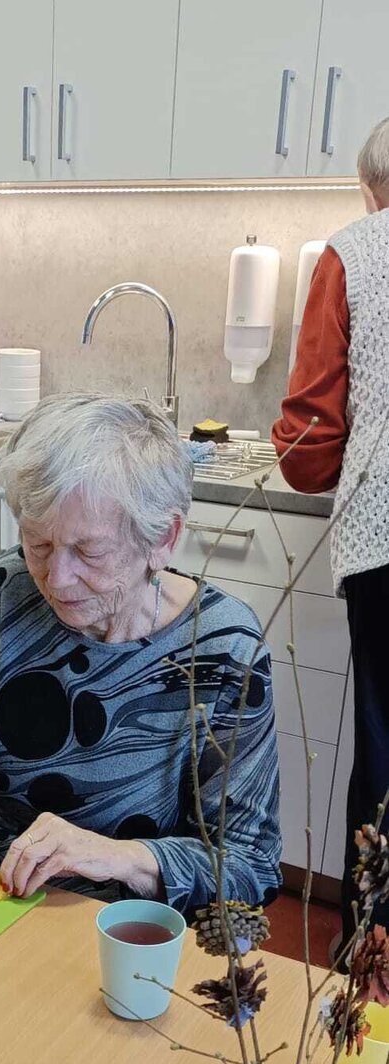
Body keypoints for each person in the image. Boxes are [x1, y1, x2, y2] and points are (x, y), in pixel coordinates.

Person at [0, 394, 281, 910]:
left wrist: (116, 856)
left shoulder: (223, 648)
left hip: (115, 926)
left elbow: (250, 865)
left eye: (89, 551)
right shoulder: (9, 588)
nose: (56, 579)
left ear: (163, 539)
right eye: (38, 544)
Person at [272, 117, 389, 951]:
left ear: (369, 187)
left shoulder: (353, 252)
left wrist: (310, 461)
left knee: (382, 755)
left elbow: (310, 444)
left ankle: (369, 966)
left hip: (384, 540)